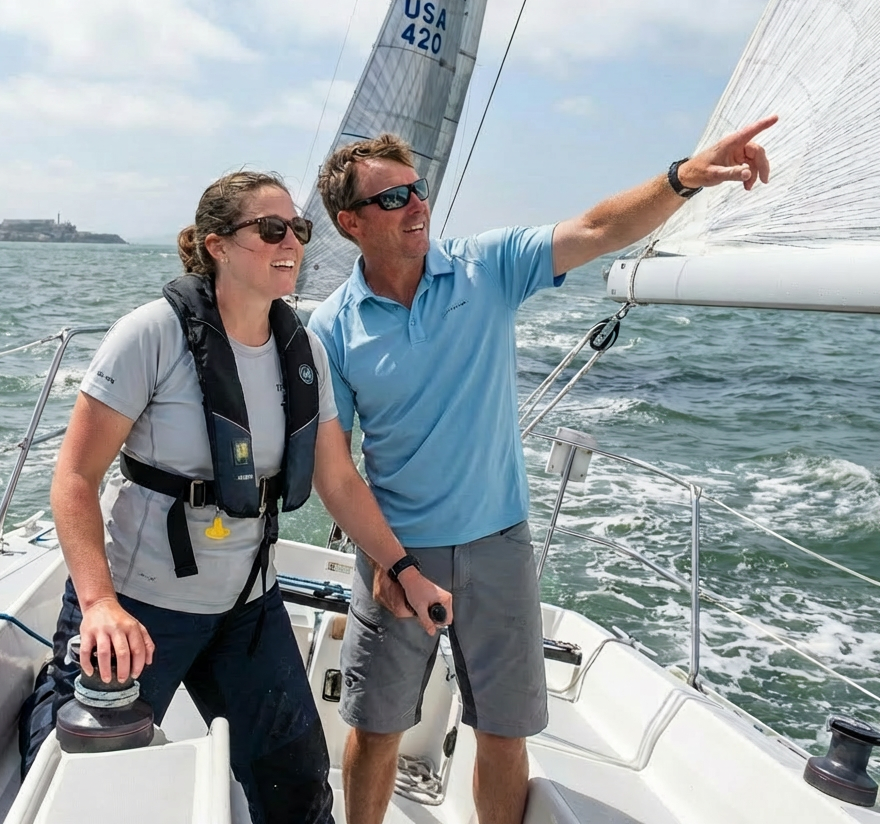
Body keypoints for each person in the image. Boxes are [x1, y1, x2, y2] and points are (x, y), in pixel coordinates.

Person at [307, 118, 776, 824]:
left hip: (499, 544)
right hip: (397, 551)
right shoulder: (334, 325)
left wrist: (682, 177)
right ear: (350, 223)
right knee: (376, 730)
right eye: (392, 198)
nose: (416, 205)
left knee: (503, 732)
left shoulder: (485, 266)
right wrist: (388, 558)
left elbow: (594, 230)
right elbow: (335, 469)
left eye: (417, 189)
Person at [20, 169, 452, 824]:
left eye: (298, 229)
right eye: (271, 228)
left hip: (246, 606)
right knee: (83, 783)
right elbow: (74, 478)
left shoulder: (301, 349)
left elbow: (337, 479)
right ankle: (54, 690)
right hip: (141, 608)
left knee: (299, 786)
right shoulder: (150, 335)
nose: (292, 243)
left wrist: (403, 568)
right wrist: (101, 604)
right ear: (218, 245)